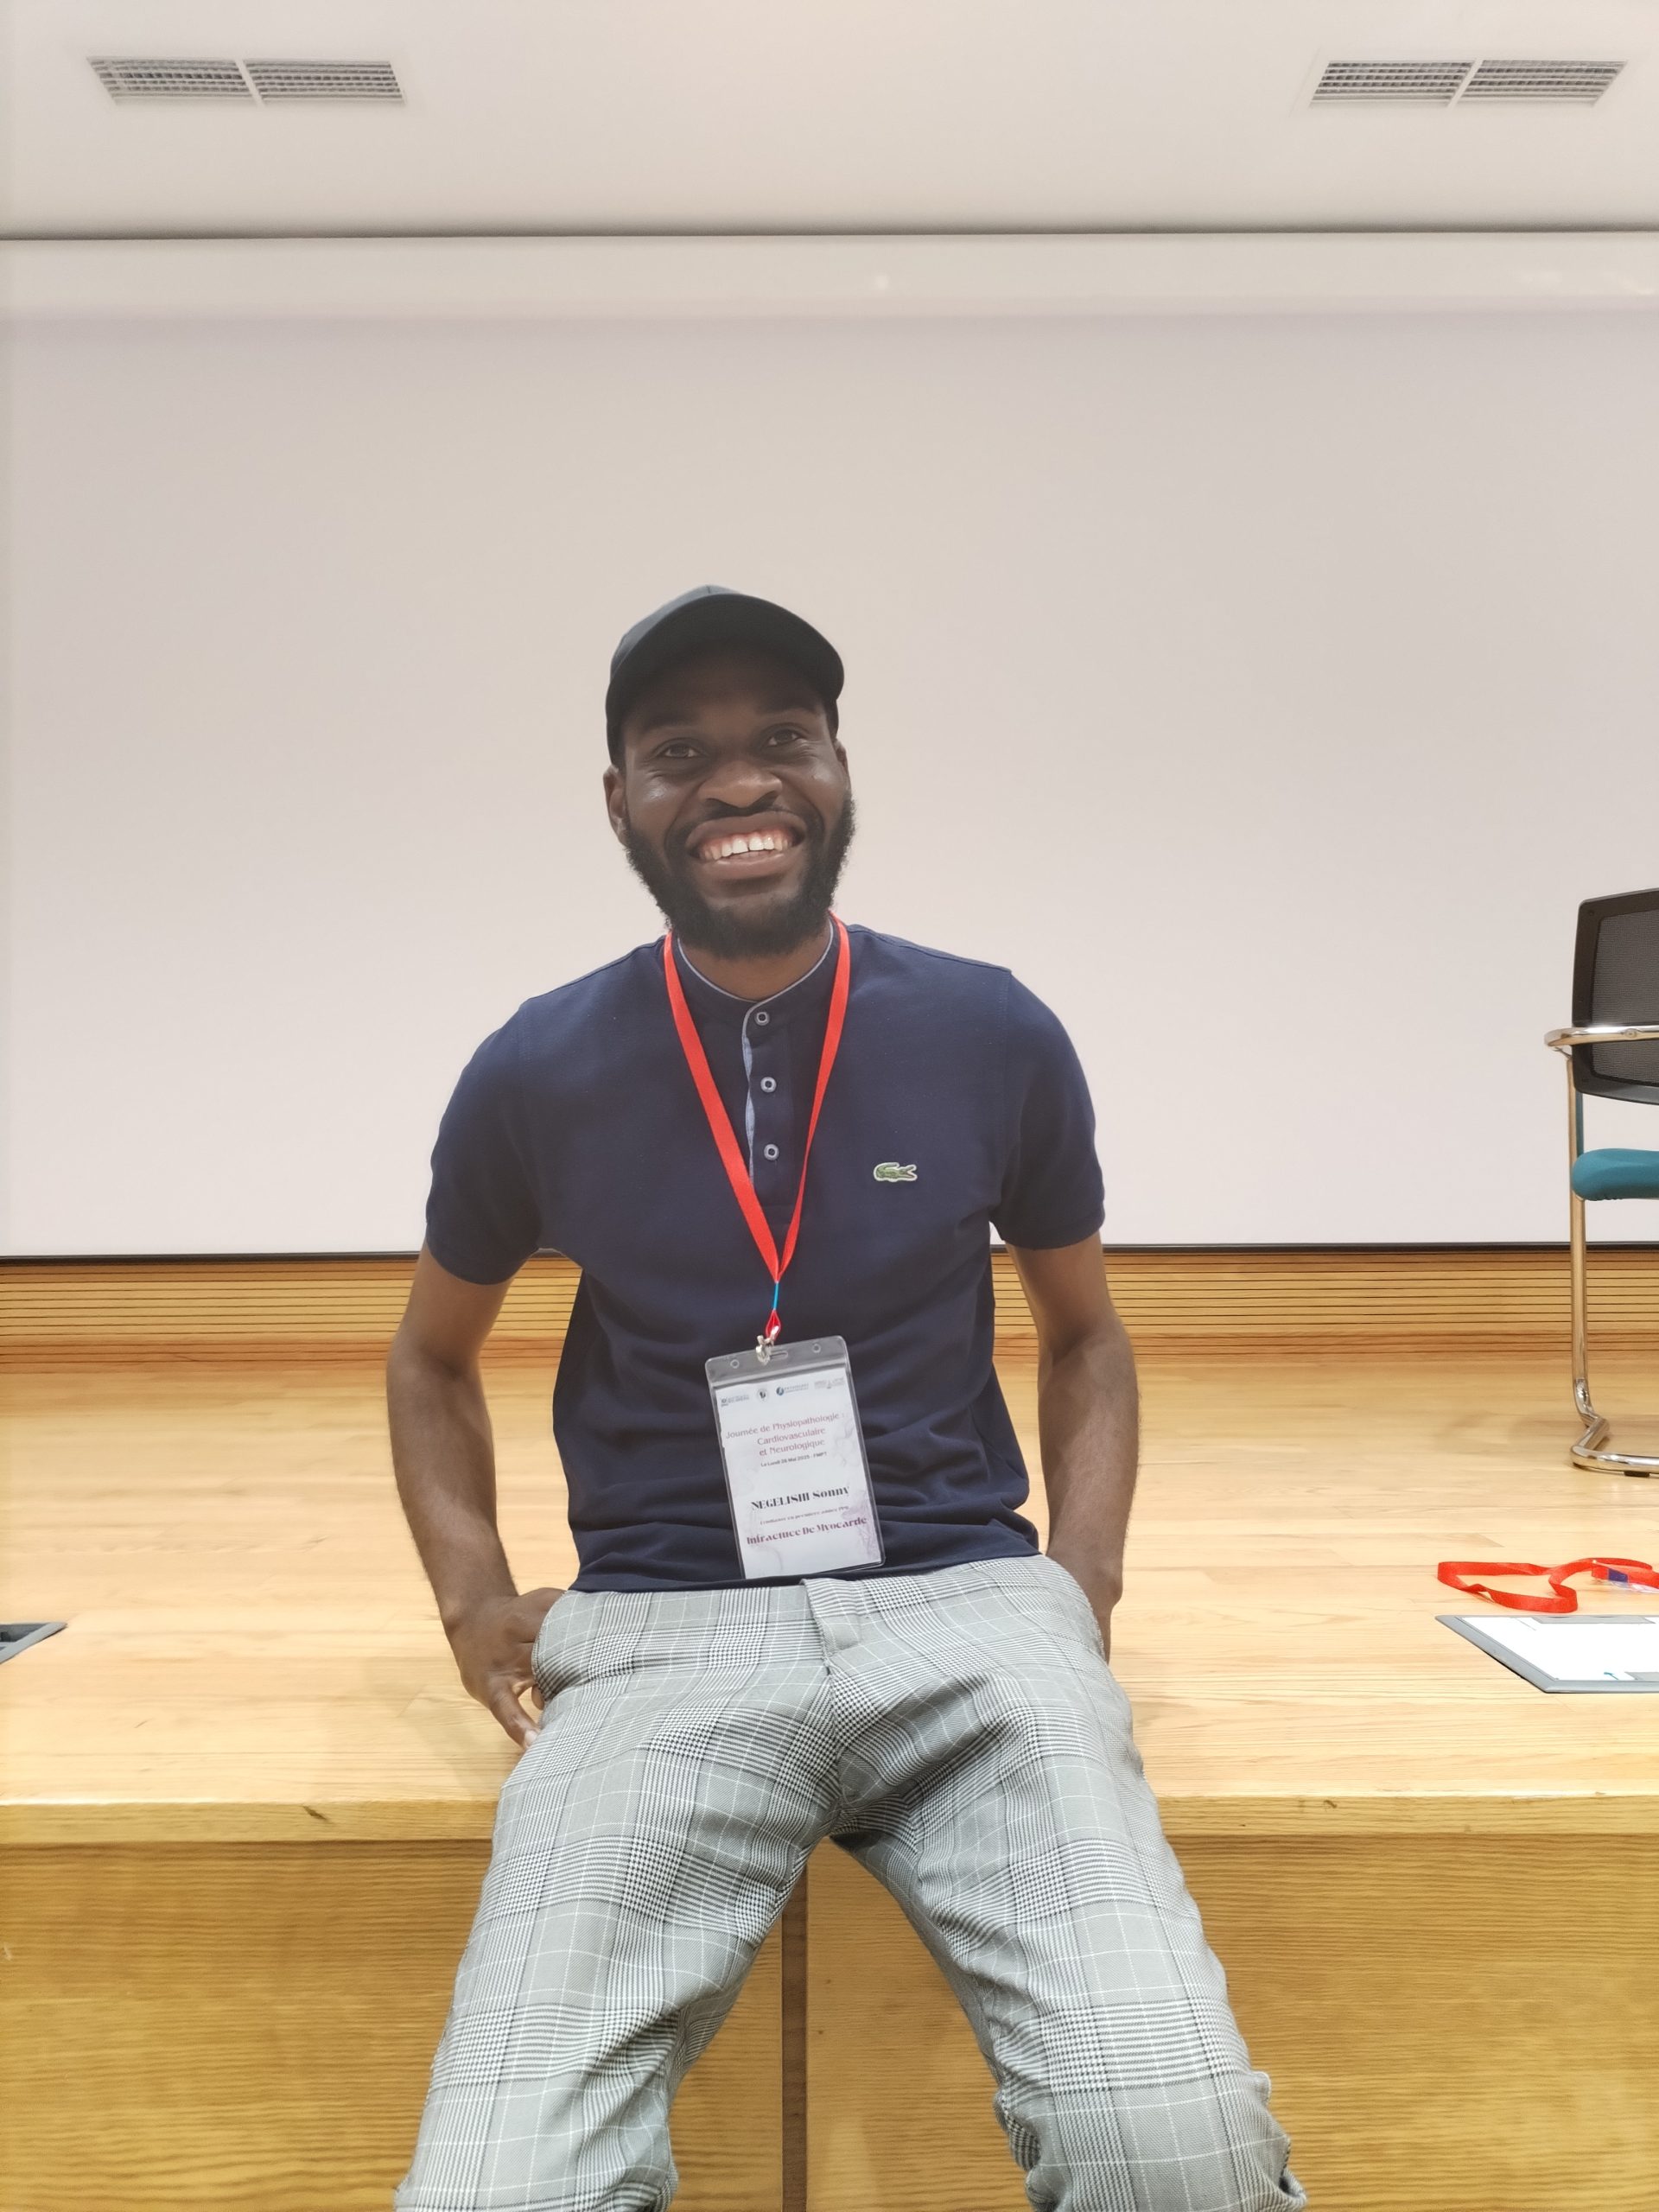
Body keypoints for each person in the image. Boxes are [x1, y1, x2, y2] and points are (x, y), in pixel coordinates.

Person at [385, 586, 1304, 2212]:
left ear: (838, 767)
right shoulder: (537, 1068)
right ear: (619, 800)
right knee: (494, 2191)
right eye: (681, 753)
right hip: (663, 1637)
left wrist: (1079, 1584)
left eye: (782, 740)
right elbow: (429, 1357)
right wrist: (471, 1599)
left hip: (967, 1615)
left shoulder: (989, 1030)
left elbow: (1086, 1336)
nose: (740, 782)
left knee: (1176, 2149)